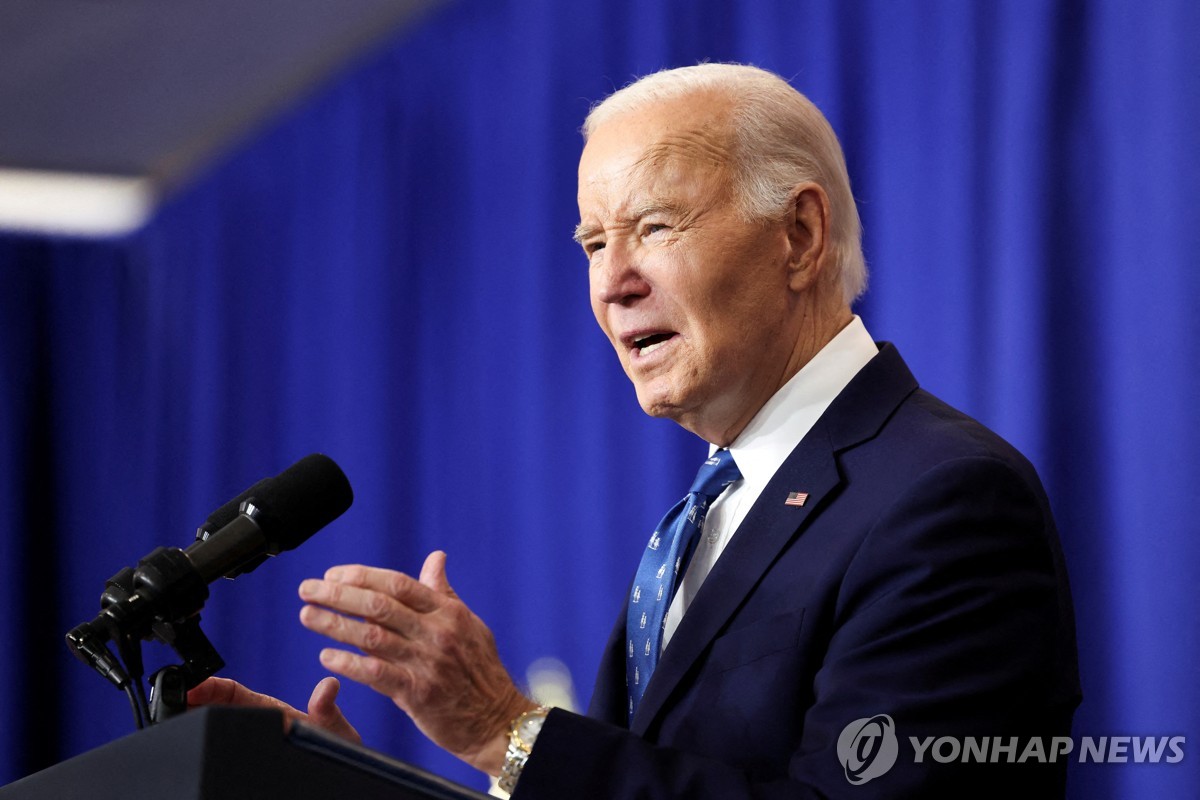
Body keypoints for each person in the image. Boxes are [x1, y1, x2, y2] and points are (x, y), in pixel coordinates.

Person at [189, 64, 1080, 797]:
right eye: (591, 244)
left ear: (800, 236)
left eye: (654, 228)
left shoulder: (942, 498)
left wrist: (511, 734)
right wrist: (353, 787)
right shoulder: (713, 510)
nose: (612, 282)